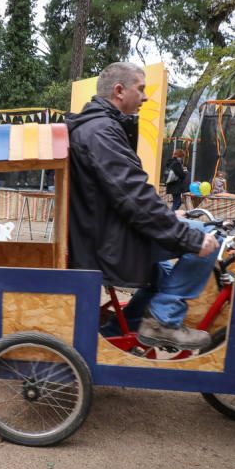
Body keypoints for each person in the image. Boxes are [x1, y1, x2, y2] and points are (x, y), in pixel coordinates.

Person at [67, 62, 219, 351]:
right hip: (105, 245)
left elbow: (122, 195)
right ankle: (163, 322)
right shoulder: (101, 132)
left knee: (161, 269)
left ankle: (120, 330)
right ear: (119, 91)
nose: (146, 97)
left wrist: (170, 216)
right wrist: (190, 238)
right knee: (210, 238)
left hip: (101, 236)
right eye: (141, 89)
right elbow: (134, 197)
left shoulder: (99, 128)